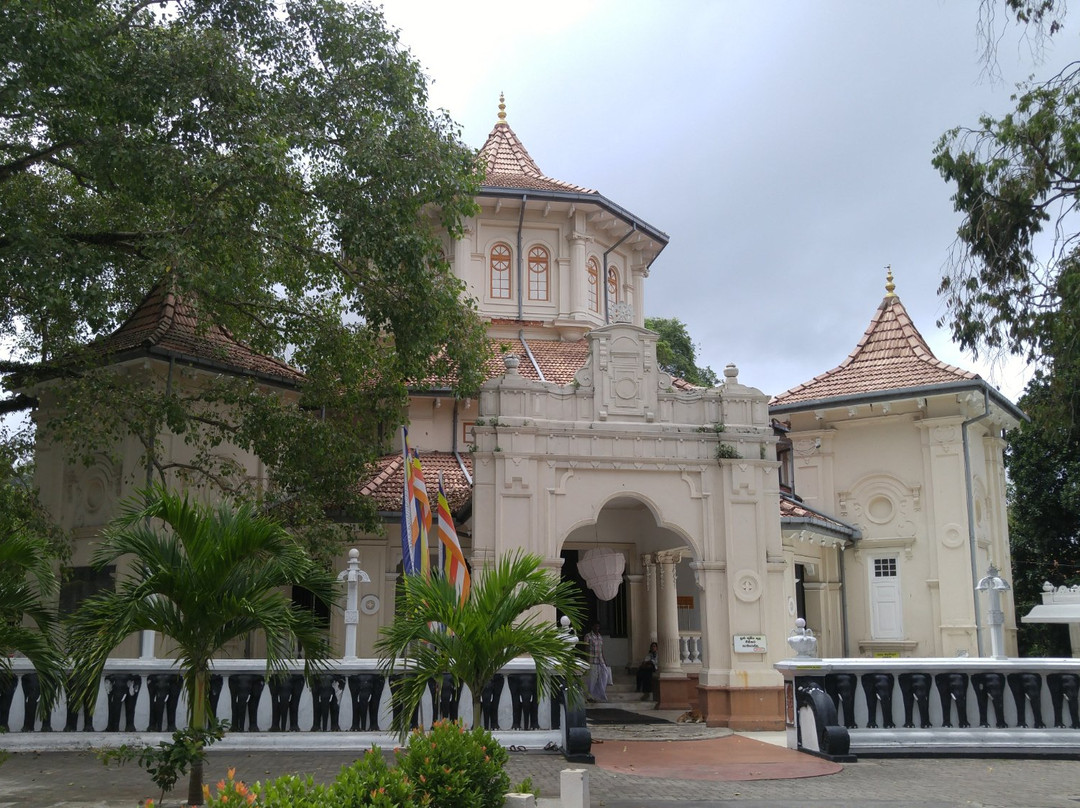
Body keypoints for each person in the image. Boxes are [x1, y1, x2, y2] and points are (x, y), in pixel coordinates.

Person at [584, 622, 607, 703]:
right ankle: (589, 696)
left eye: (598, 626)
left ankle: (599, 695)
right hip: (592, 660)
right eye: (595, 626)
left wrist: (605, 661)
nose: (597, 628)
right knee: (591, 680)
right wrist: (587, 660)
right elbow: (586, 648)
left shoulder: (600, 636)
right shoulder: (588, 636)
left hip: (600, 660)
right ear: (592, 626)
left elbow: (601, 650)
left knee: (604, 676)